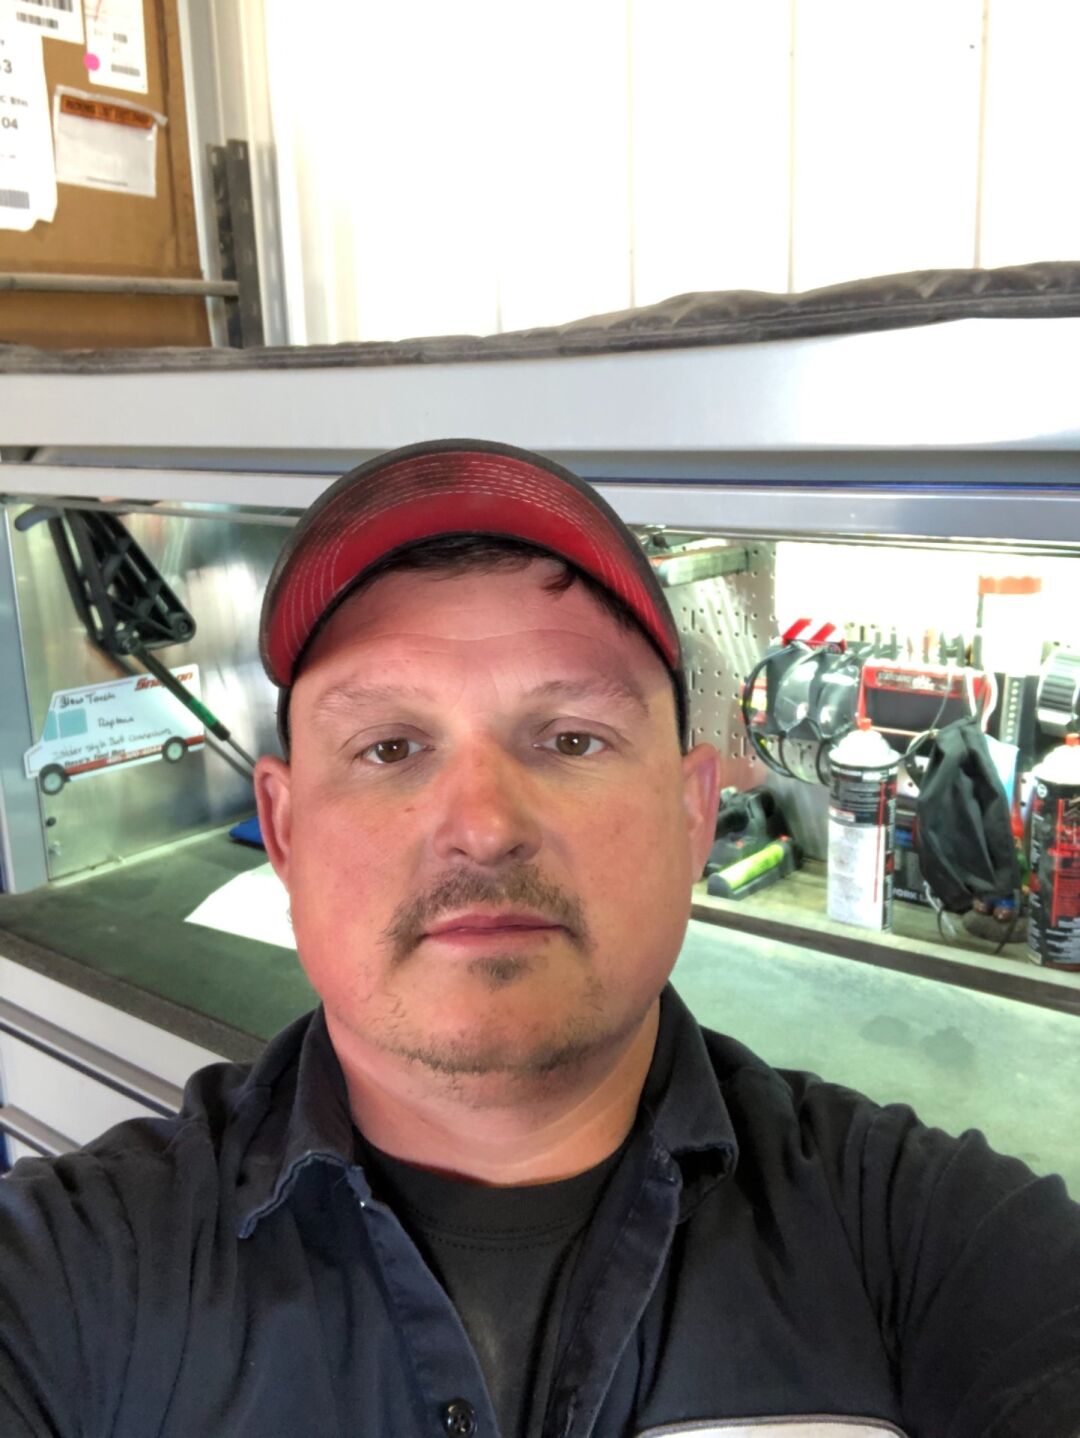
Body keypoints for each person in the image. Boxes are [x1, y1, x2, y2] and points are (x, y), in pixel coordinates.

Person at [0, 439, 1078, 1438]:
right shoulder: (70, 1274)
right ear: (284, 831)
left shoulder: (939, 1248)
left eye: (571, 738)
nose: (483, 824)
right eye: (389, 747)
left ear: (693, 816)